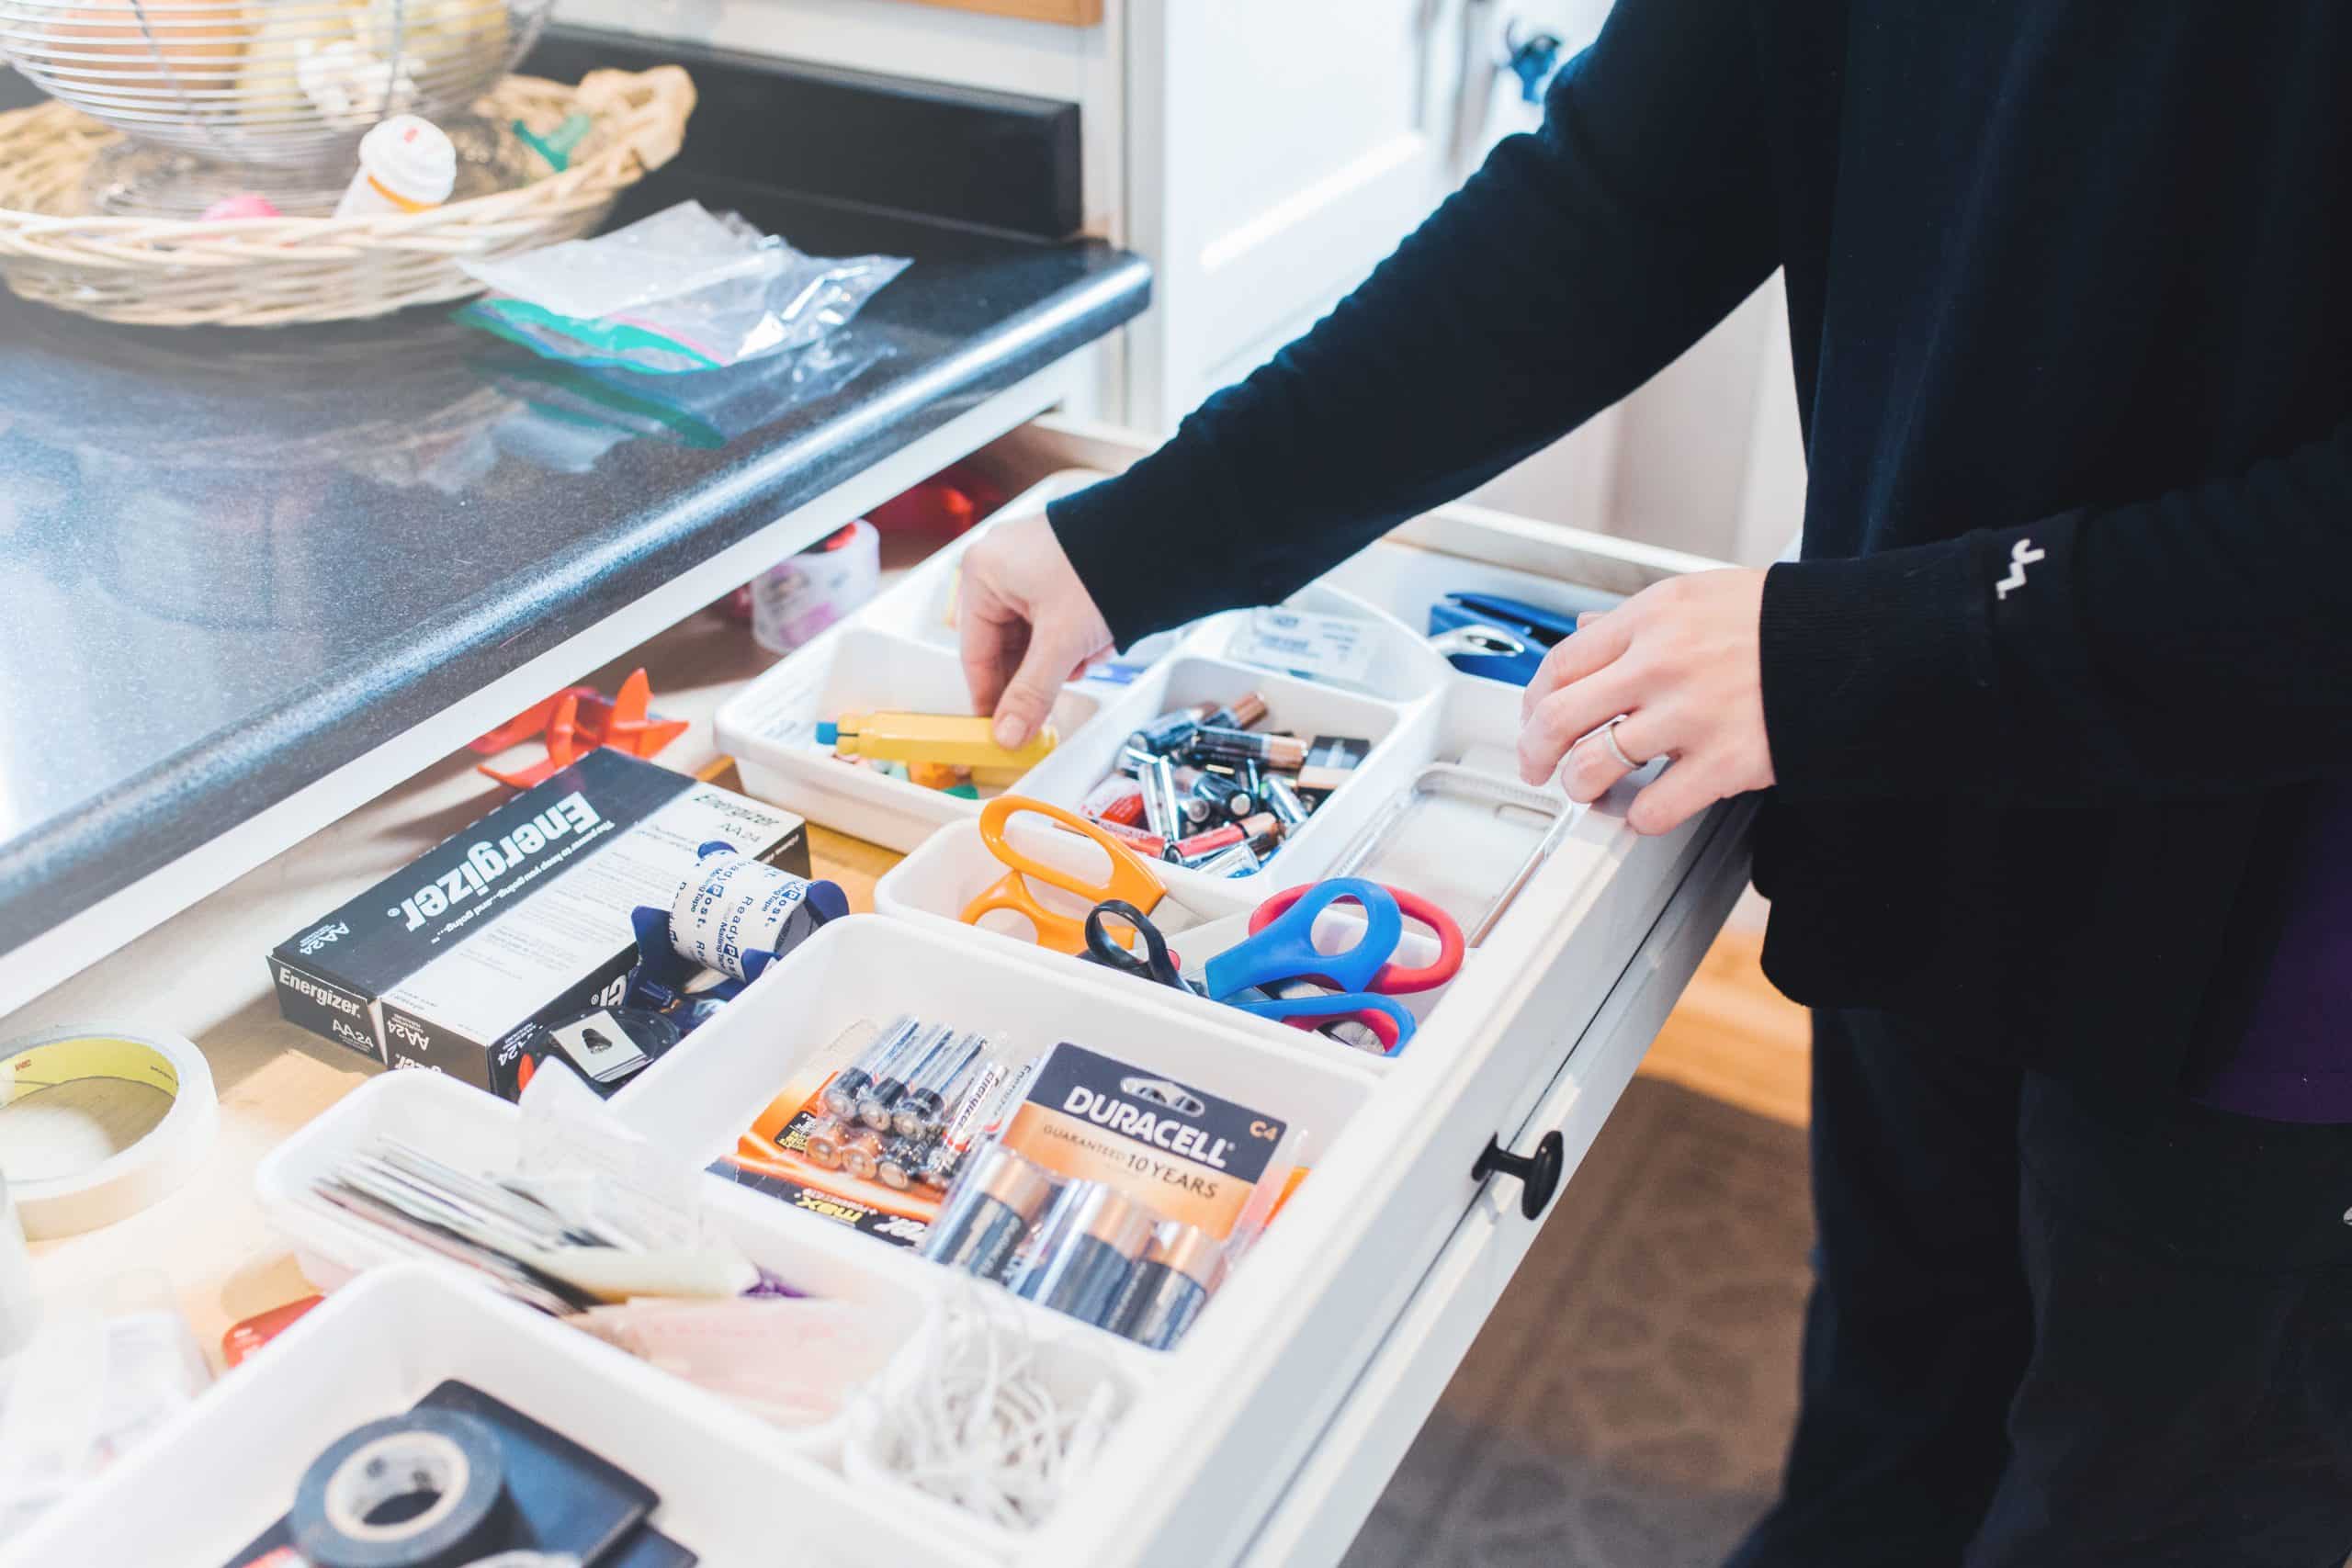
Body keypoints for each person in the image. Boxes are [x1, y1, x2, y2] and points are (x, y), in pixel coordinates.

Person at [955, 4, 2352, 1563]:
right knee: (1897, 1416)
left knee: (2148, 1500)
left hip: (2277, 953)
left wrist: (1867, 651)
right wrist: (1141, 538)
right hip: (1946, 800)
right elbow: (1613, 208)